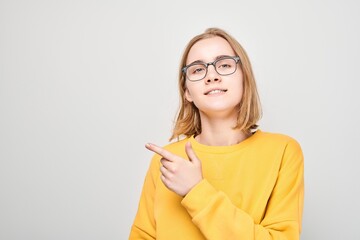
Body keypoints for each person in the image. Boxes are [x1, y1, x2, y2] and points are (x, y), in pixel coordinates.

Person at [129, 27, 304, 240]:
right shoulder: (166, 161)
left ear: (244, 78)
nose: (212, 76)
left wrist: (196, 191)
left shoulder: (283, 151)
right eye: (197, 69)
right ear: (187, 92)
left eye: (224, 65)